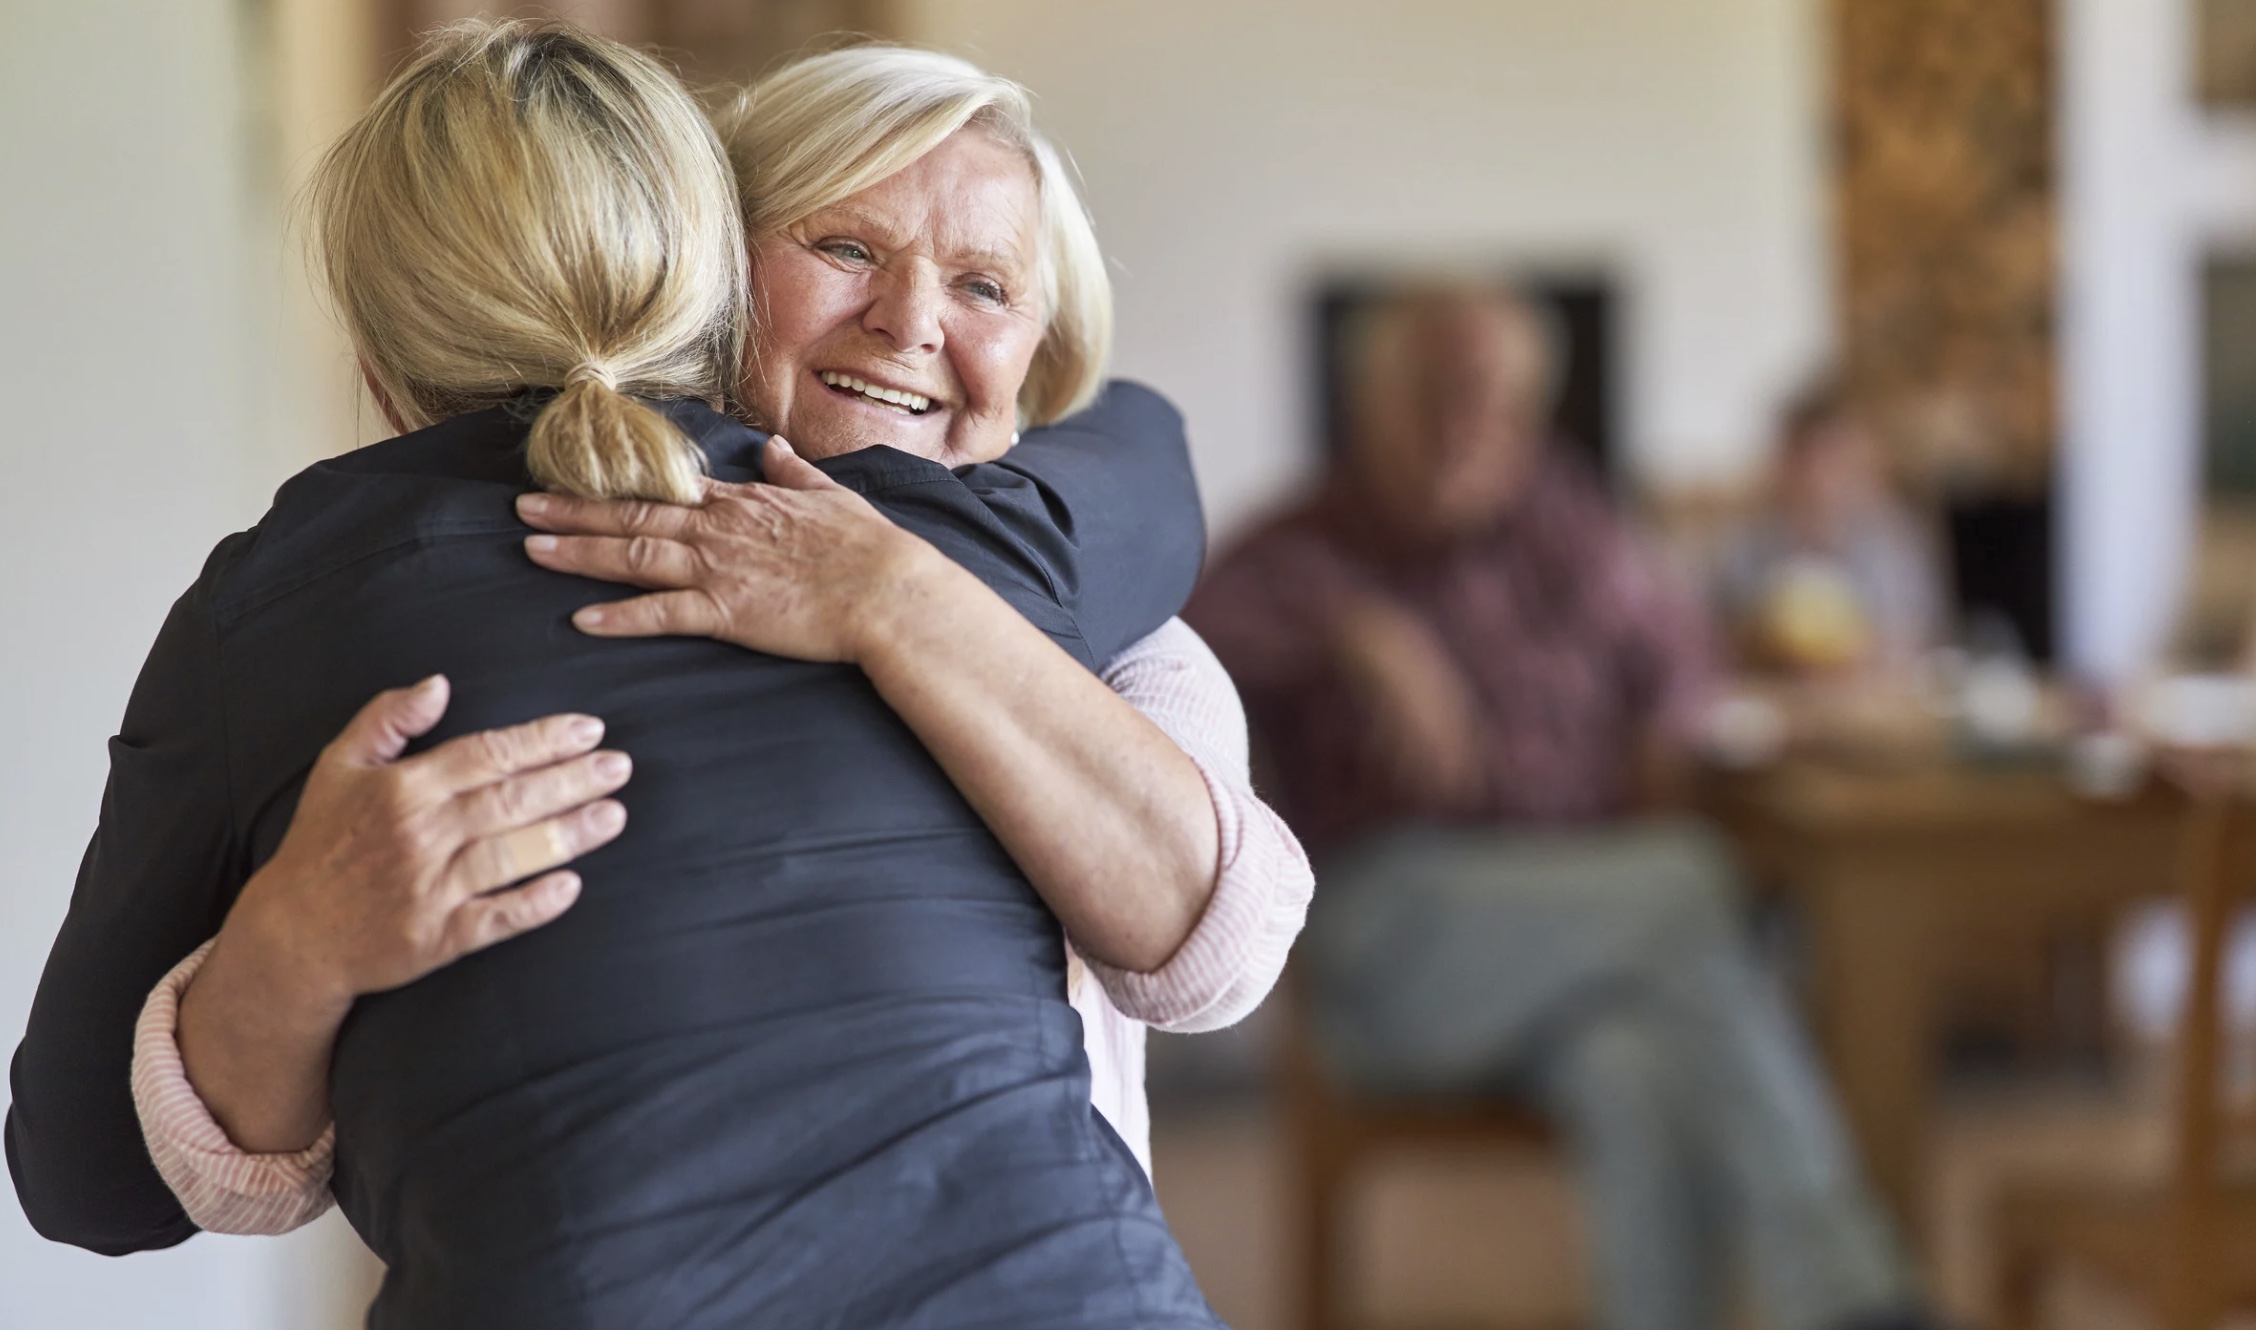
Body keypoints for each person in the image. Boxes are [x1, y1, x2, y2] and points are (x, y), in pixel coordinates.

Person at [10, 25, 1310, 1328]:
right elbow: (1152, 449)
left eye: (986, 287)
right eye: (844, 246)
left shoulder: (1016, 572)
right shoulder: (1021, 544)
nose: (911, 322)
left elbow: (1217, 953)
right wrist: (292, 948)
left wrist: (897, 600)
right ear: (709, 280)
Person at [1187, 285, 1931, 1330]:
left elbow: (1685, 667)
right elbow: (1182, 634)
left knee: (1632, 1067)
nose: (1462, 426)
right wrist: (1359, 625)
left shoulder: (1567, 522)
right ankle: (1858, 1300)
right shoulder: (1305, 541)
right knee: (1690, 882)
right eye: (1431, 394)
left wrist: (1669, 731)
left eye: (1489, 399)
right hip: (1395, 947)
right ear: (1369, 401)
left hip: (1587, 941)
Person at [1715, 380, 1944, 676]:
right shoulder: (1745, 546)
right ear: (1783, 464)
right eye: (1807, 460)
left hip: (1872, 706)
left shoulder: (1893, 543)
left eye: (1834, 459)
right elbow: (1718, 642)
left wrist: (1853, 654)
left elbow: (1915, 638)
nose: (1820, 478)